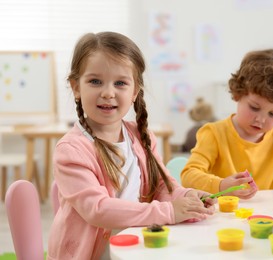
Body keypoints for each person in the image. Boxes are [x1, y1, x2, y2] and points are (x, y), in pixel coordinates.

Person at [47, 32, 216, 260]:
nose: (108, 93)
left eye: (120, 83)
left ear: (135, 91)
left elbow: (161, 187)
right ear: (76, 87)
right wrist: (169, 211)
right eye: (95, 81)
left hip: (136, 246)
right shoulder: (71, 151)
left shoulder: (141, 136)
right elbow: (98, 209)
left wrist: (188, 197)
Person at [181, 49, 273, 199]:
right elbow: (189, 175)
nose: (261, 119)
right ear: (238, 94)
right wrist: (221, 185)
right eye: (254, 107)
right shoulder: (214, 134)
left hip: (264, 215)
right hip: (223, 213)